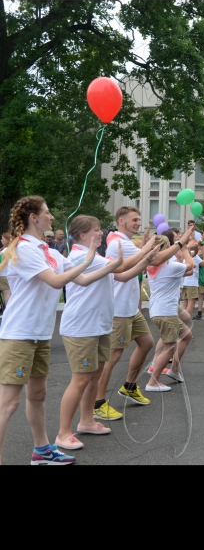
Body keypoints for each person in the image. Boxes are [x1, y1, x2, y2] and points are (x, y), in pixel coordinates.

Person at [0, 197, 105, 466]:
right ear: (34, 218)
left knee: (38, 395)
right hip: (18, 335)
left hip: (41, 335)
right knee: (8, 404)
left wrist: (118, 264)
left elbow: (82, 280)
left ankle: (42, 451)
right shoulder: (24, 249)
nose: (52, 217)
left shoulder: (51, 252)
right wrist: (89, 258)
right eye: (47, 213)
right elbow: (57, 280)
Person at [55, 216, 148, 452]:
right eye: (96, 230)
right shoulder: (79, 257)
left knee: (93, 378)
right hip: (82, 327)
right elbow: (121, 266)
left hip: (98, 326)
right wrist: (147, 250)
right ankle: (63, 433)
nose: (100, 233)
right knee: (80, 380)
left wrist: (146, 258)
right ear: (82, 235)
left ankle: (86, 421)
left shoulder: (95, 258)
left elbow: (124, 275)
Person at [95, 207, 174, 422]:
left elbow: (144, 258)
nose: (138, 223)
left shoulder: (126, 242)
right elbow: (155, 260)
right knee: (113, 356)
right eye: (134, 220)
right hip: (119, 309)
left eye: (139, 219)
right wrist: (180, 244)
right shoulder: (118, 243)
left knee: (147, 342)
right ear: (121, 220)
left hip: (130, 308)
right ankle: (98, 403)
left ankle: (129, 386)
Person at [146, 232, 196, 392]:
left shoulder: (153, 265)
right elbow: (191, 266)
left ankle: (173, 370)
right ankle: (152, 382)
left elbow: (187, 271)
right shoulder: (169, 266)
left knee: (186, 335)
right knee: (169, 347)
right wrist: (186, 250)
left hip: (161, 310)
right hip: (166, 311)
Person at [181, 244, 204, 320]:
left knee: (185, 304)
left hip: (184, 282)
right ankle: (185, 323)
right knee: (191, 304)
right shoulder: (194, 257)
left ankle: (181, 322)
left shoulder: (185, 255)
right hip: (192, 283)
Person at [0, 232, 12, 306]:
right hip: (8, 273)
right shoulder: (11, 249)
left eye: (3, 239)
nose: (1, 240)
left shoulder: (4, 251)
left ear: (7, 240)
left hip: (3, 274)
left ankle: (8, 310)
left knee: (7, 294)